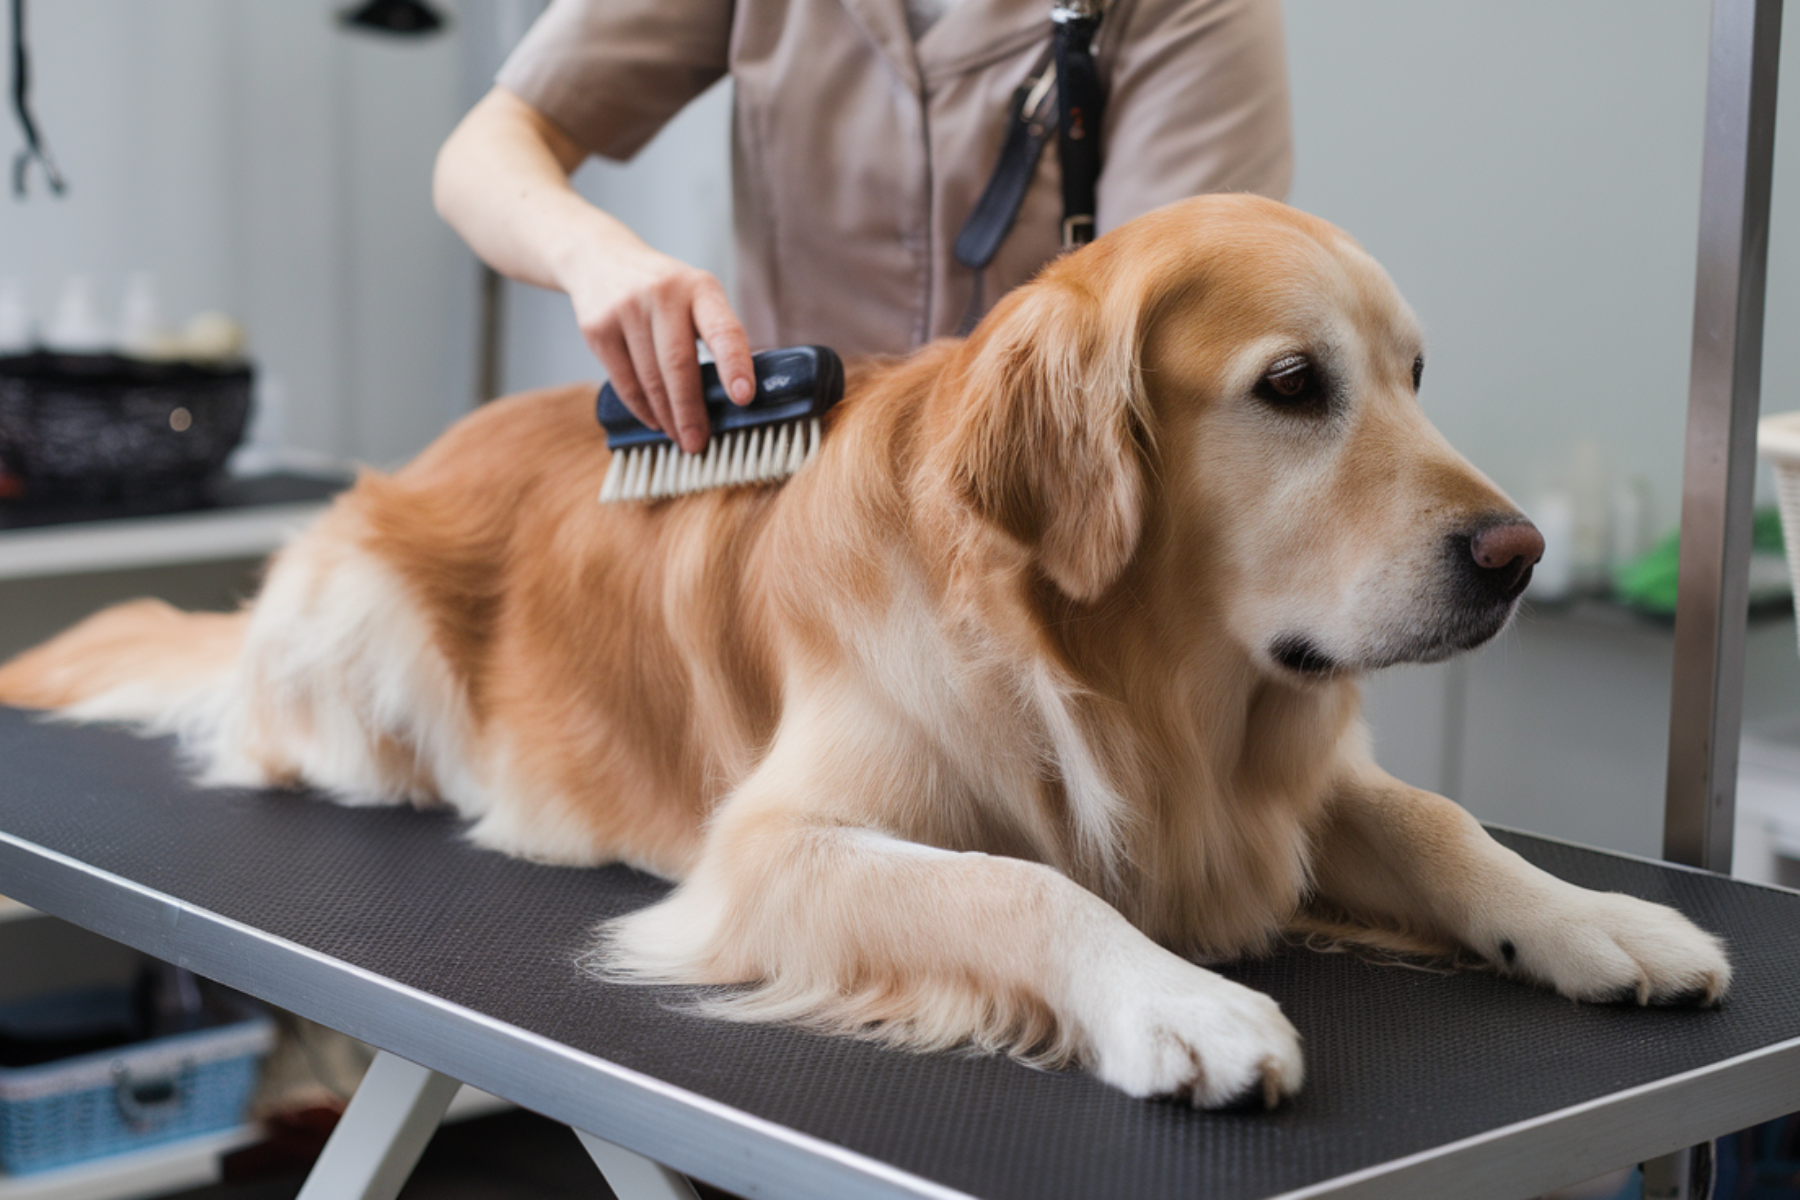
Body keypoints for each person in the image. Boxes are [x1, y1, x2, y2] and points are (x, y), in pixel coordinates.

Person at [433, 0, 1290, 454]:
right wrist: (598, 256)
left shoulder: (1189, 9)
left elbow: (1173, 343)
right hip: (777, 505)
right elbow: (484, 153)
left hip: (1040, 524)